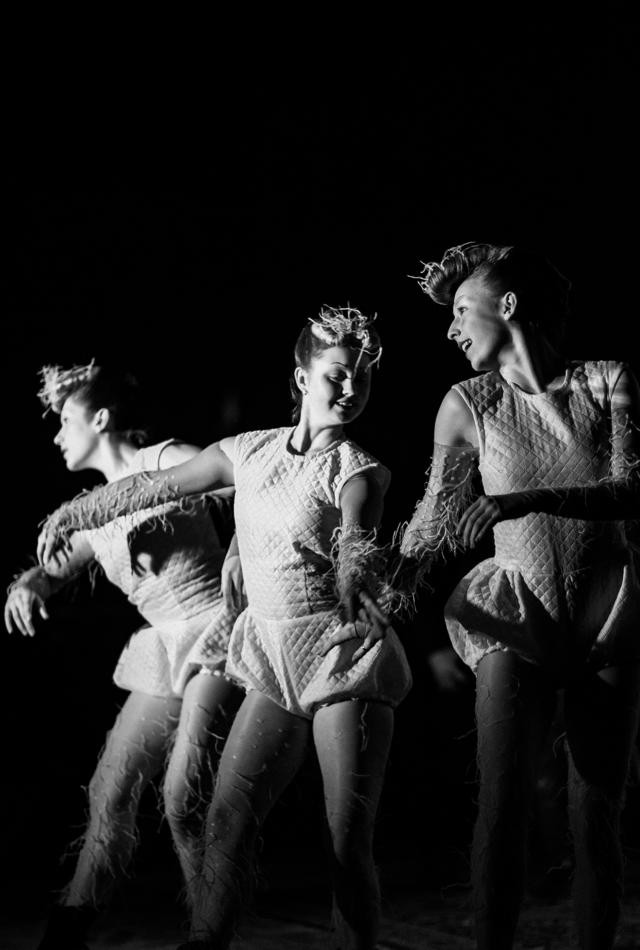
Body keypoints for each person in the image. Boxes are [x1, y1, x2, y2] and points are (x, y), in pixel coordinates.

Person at [38, 308, 413, 950]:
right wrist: (75, 512)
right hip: (273, 662)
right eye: (337, 375)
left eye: (363, 379)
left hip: (339, 655)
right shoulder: (248, 450)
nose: (351, 389)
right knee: (225, 818)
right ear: (302, 377)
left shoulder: (358, 469)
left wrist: (357, 575)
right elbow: (153, 486)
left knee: (346, 840)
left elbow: (357, 535)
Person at [396, 243, 640, 950]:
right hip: (515, 613)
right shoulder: (464, 404)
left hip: (608, 612)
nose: (451, 330)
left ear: (507, 306)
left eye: (460, 311)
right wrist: (387, 580)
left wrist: (521, 500)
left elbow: (630, 489)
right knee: (502, 806)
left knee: (595, 813)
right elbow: (433, 520)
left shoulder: (609, 380)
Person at [5, 363, 244, 950]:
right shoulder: (92, 512)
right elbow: (54, 569)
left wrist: (242, 552)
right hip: (166, 643)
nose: (57, 436)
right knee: (109, 789)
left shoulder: (164, 459)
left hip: (218, 629)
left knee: (184, 796)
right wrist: (30, 583)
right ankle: (68, 930)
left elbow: (243, 481)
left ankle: (208, 935)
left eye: (66, 420)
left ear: (101, 420)